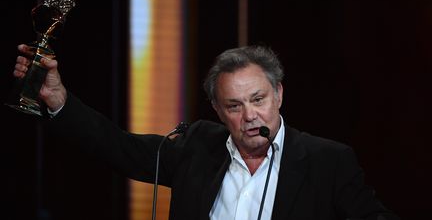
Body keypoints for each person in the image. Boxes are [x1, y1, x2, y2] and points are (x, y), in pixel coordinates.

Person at [13, 44, 399, 220]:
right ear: (218, 110)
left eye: (258, 99)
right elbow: (118, 147)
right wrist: (59, 100)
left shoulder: (326, 160)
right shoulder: (198, 145)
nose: (249, 115)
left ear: (279, 94)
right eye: (234, 105)